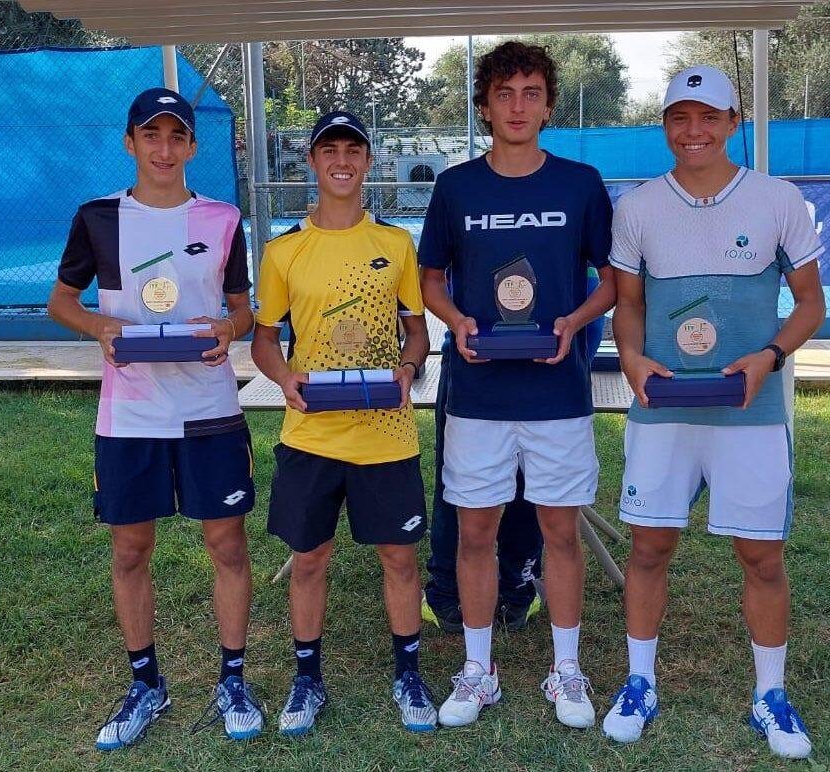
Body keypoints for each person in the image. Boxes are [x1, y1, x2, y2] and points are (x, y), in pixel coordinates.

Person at [602, 66, 826, 761]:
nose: (693, 131)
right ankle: (639, 683)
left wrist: (770, 356)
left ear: (734, 122)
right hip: (663, 411)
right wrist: (631, 357)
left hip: (750, 414)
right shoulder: (637, 207)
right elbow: (628, 304)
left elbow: (811, 303)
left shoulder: (777, 199)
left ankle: (770, 695)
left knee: (761, 555)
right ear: (665, 125)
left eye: (708, 117)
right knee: (649, 547)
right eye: (679, 117)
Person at [47, 88, 263, 749]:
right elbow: (61, 301)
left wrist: (228, 328)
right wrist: (100, 326)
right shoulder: (98, 217)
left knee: (227, 546)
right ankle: (146, 684)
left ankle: (232, 680)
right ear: (130, 143)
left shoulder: (223, 219)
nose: (164, 149)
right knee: (130, 549)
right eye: (151, 135)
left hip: (209, 410)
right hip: (131, 414)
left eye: (176, 136)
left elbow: (242, 310)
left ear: (192, 145)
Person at [419, 41, 616, 729]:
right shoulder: (456, 187)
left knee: (559, 530)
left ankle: (567, 670)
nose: (518, 106)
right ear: (484, 105)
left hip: (557, 394)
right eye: (504, 94)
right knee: (475, 531)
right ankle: (479, 670)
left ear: (549, 105)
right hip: (478, 396)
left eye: (531, 93)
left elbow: (612, 281)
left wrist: (573, 322)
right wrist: (457, 322)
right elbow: (430, 279)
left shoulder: (580, 184)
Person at [252, 111, 437, 735]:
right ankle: (307, 680)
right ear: (311, 161)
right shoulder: (284, 251)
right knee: (309, 559)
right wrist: (285, 379)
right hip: (312, 435)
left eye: (352, 150)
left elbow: (418, 332)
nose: (341, 160)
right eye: (328, 149)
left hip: (385, 434)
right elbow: (264, 341)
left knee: (400, 558)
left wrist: (408, 368)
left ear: (367, 161)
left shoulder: (395, 244)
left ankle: (408, 674)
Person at [423, 268, 605, 633]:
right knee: (463, 489)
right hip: (475, 360)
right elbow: (438, 278)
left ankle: (516, 587)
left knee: (531, 486)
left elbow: (594, 280)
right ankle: (449, 590)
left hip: (553, 355)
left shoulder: (574, 232)